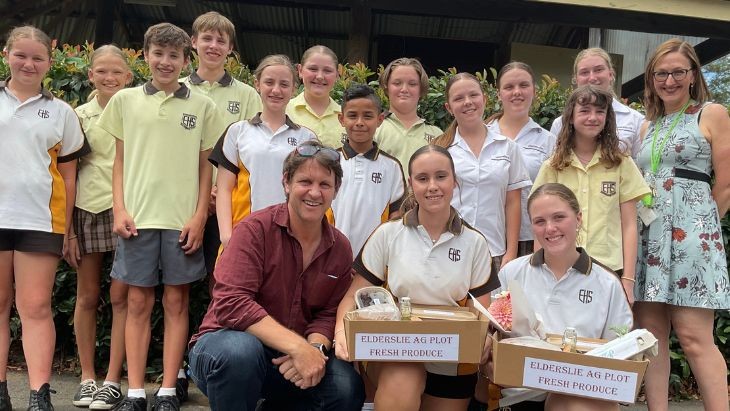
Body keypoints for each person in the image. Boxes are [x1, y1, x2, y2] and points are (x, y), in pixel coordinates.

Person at [97, 23, 226, 411]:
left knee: (176, 302)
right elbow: (119, 162)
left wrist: (200, 215)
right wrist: (119, 208)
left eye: (174, 56)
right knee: (137, 302)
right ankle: (135, 391)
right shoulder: (125, 101)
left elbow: (208, 168)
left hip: (182, 221)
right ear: (146, 55)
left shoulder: (204, 106)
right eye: (158, 54)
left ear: (186, 60)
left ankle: (168, 389)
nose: (165, 62)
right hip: (136, 219)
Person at [189, 140, 365, 411]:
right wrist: (298, 347)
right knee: (240, 353)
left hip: (290, 358)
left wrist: (314, 350)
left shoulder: (339, 246)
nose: (315, 193)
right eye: (305, 181)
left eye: (325, 185)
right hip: (224, 345)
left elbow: (328, 313)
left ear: (336, 190)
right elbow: (232, 303)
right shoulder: (254, 229)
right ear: (286, 183)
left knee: (345, 386)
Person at [334, 144, 499, 411]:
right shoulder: (388, 234)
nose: (432, 186)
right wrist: (341, 332)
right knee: (405, 376)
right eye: (422, 178)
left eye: (441, 176)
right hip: (394, 353)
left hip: (452, 359)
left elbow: (483, 312)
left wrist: (487, 338)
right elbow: (353, 296)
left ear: (454, 181)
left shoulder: (475, 243)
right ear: (411, 184)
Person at [634, 39, 730, 411]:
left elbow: (725, 182)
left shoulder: (711, 113)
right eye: (661, 73)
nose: (669, 80)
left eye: (677, 72)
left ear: (692, 75)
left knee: (693, 338)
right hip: (649, 240)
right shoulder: (647, 127)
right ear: (652, 78)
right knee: (651, 336)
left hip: (693, 239)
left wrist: (703, 227)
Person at [0, 25, 89, 410]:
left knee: (35, 307)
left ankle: (39, 394)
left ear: (50, 63)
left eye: (37, 57)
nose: (28, 63)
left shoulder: (61, 111)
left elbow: (68, 176)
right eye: (21, 55)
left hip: (40, 220)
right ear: (6, 55)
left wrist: (66, 229)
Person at [496, 183, 633, 411]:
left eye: (559, 217)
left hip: (582, 394)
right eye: (540, 221)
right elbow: (491, 339)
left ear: (578, 218)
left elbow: (621, 354)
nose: (550, 228)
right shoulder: (512, 273)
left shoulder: (607, 283)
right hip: (520, 395)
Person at [532, 85, 649, 303]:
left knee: (608, 336)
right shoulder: (554, 166)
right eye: (584, 111)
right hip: (561, 268)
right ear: (570, 117)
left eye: (600, 111)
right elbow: (540, 224)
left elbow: (630, 225)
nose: (592, 117)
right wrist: (537, 272)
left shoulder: (621, 163)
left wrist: (628, 280)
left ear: (608, 117)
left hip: (608, 269)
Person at [65, 45, 132, 410]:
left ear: (128, 76)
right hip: (87, 209)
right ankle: (87, 377)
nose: (109, 78)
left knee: (122, 297)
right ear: (90, 75)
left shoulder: (136, 110)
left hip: (125, 210)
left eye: (116, 72)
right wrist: (68, 230)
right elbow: (69, 173)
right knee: (88, 296)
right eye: (101, 71)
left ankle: (112, 380)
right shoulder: (77, 115)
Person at [210, 54, 317, 250]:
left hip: (288, 241)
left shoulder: (306, 138)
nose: (276, 90)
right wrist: (227, 237)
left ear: (294, 89)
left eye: (284, 84)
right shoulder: (237, 132)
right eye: (269, 82)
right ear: (257, 84)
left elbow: (311, 192)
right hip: (242, 238)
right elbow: (224, 190)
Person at [183, 9, 262, 276]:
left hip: (227, 200)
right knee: (176, 286)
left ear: (230, 48)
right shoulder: (177, 89)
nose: (213, 46)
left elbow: (252, 150)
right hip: (183, 199)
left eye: (221, 41)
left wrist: (220, 191)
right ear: (193, 42)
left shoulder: (248, 95)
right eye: (207, 38)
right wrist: (200, 195)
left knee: (223, 278)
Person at [433, 73, 531, 273]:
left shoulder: (508, 148)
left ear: (485, 99)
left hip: (494, 251)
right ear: (449, 108)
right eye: (458, 98)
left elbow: (512, 203)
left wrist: (511, 252)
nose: (467, 102)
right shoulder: (440, 149)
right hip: (447, 248)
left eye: (473, 95)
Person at [486, 62, 556, 256]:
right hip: (488, 235)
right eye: (509, 87)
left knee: (521, 288)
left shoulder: (549, 141)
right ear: (498, 94)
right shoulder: (483, 135)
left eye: (523, 85)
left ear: (534, 90)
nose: (517, 92)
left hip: (531, 238)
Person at [330, 84, 406, 255]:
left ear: (380, 119)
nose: (359, 123)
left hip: (374, 260)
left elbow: (397, 216)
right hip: (331, 257)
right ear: (341, 119)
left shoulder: (392, 167)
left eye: (367, 116)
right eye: (352, 116)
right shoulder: (329, 162)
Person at [550, 47, 644, 158]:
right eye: (584, 72)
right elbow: (555, 163)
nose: (592, 78)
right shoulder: (560, 124)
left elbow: (641, 167)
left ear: (611, 74)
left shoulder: (636, 120)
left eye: (598, 70)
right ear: (576, 79)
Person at [373, 57, 442, 179]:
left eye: (412, 84)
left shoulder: (437, 135)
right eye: (397, 83)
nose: (404, 89)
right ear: (386, 87)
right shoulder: (373, 129)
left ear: (421, 89)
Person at [286, 45, 345, 148]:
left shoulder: (346, 117)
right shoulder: (284, 111)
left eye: (327, 71)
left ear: (337, 75)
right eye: (313, 69)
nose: (320, 76)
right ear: (300, 70)